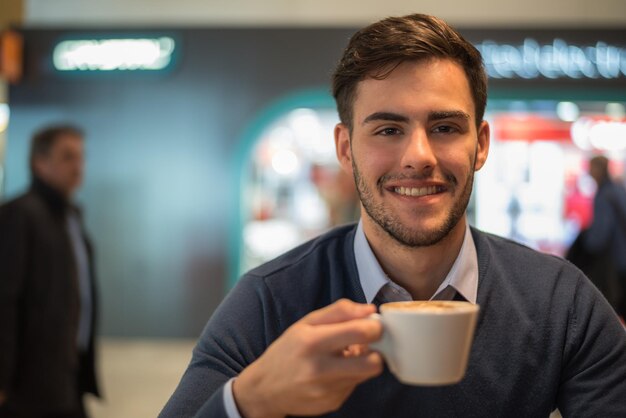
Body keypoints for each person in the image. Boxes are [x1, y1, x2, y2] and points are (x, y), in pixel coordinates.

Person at [160, 14, 626, 418]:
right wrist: (252, 400)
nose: (418, 156)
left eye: (444, 127)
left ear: (481, 144)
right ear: (346, 148)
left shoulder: (561, 304)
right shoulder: (270, 302)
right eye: (387, 129)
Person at [0, 125, 100, 418]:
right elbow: (4, 299)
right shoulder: (20, 215)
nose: (78, 166)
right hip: (30, 383)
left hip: (69, 372)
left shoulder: (70, 217)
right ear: (40, 163)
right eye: (68, 157)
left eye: (81, 157)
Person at [582, 155, 626, 318]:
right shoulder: (618, 189)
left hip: (613, 263)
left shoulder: (604, 195)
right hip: (622, 259)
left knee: (612, 311)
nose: (589, 172)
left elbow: (599, 238)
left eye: (591, 168)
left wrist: (585, 250)